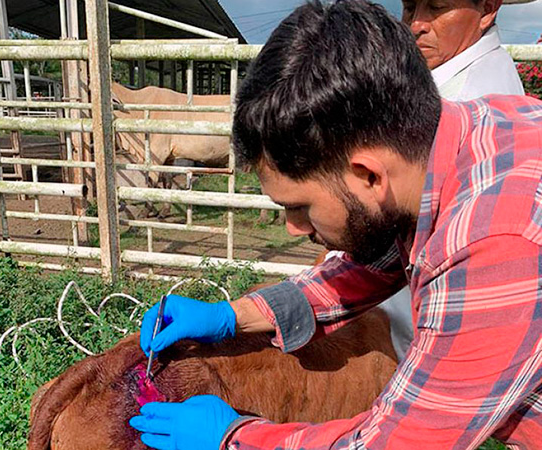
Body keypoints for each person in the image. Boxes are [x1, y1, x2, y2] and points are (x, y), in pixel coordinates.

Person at [129, 1, 542, 448]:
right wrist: (236, 316)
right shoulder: (472, 132)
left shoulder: (496, 243)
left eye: (300, 206)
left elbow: (395, 444)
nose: (293, 227)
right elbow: (375, 265)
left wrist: (233, 439)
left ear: (368, 175)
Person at [328, 0, 527, 362]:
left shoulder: (464, 100)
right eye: (409, 7)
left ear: (487, 9)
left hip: (417, 329)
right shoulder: (461, 80)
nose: (417, 24)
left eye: (436, 7)